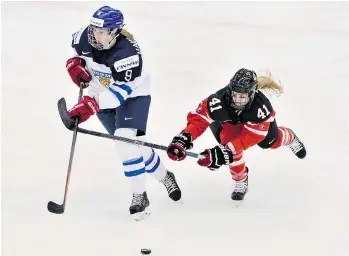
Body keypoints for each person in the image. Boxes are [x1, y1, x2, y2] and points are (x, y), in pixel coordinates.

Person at [64, 6, 181, 220]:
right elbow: (76, 54)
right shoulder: (84, 36)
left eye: (101, 32)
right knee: (133, 146)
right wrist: (74, 65)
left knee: (124, 144)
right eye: (93, 30)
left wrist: (90, 105)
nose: (94, 35)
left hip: (132, 97)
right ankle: (165, 176)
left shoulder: (128, 56)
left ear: (115, 32)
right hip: (100, 94)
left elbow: (119, 94)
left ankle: (140, 196)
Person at [166, 68, 306, 201]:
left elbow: (251, 137)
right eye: (235, 95)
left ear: (251, 94)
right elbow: (199, 120)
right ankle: (241, 179)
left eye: (243, 96)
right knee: (229, 143)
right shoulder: (218, 101)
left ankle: (290, 137)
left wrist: (223, 153)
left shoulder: (261, 108)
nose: (238, 100)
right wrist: (184, 137)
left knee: (271, 142)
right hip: (231, 123)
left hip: (256, 130)